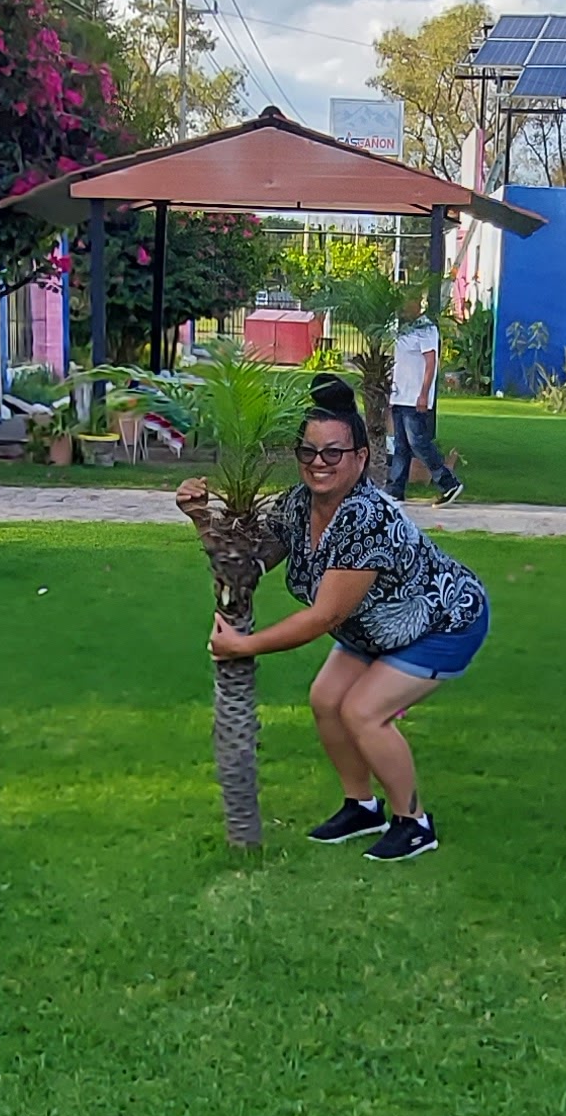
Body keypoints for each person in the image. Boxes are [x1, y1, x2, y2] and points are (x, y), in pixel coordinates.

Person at [182, 375, 489, 863]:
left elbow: (326, 615)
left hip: (443, 622)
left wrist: (245, 646)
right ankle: (362, 806)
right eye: (309, 452)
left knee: (363, 712)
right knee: (326, 699)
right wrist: (201, 517)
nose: (318, 463)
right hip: (374, 627)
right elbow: (251, 560)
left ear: (361, 458)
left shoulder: (364, 519)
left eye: (333, 453)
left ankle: (414, 823)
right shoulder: (298, 505)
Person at [386, 299, 462, 500]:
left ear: (417, 305)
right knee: (400, 445)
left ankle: (448, 483)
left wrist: (424, 394)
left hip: (415, 398)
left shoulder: (426, 329)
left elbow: (431, 363)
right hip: (400, 396)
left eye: (406, 304)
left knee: (418, 443)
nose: (403, 308)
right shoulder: (402, 329)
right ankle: (395, 490)